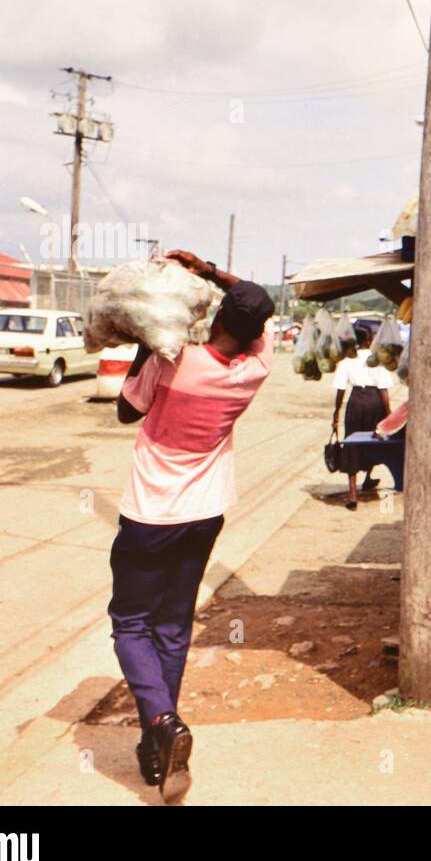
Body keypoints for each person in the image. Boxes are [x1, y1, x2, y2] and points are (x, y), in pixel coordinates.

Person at [111, 249, 275, 802]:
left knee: (131, 623)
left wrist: (147, 340)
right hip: (205, 516)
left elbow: (126, 412)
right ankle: (157, 743)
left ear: (217, 316)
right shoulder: (257, 368)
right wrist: (212, 271)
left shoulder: (173, 360)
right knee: (174, 627)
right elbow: (257, 306)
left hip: (149, 514)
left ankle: (162, 721)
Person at [331, 324, 393, 510]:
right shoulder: (377, 360)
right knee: (373, 440)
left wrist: (336, 412)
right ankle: (367, 477)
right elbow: (383, 390)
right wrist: (388, 413)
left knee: (352, 444)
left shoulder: (346, 362)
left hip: (356, 402)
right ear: (368, 340)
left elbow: (341, 390)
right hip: (375, 402)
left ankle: (353, 493)